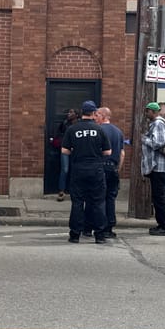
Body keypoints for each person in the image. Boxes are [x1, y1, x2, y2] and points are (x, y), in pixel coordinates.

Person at [61, 100, 111, 244]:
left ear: (82, 112)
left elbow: (64, 150)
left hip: (78, 169)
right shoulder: (100, 129)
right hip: (96, 170)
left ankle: (75, 235)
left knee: (77, 202)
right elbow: (108, 152)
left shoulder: (72, 129)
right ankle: (99, 235)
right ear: (94, 113)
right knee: (98, 202)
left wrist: (76, 150)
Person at [141, 101, 165, 236]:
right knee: (159, 197)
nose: (146, 113)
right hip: (160, 166)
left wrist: (144, 139)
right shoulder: (159, 123)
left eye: (147, 111)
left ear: (153, 112)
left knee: (159, 198)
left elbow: (158, 143)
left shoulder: (158, 123)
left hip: (159, 167)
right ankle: (163, 225)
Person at [93, 106, 125, 238]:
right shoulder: (118, 132)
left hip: (101, 167)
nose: (94, 118)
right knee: (111, 198)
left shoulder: (98, 131)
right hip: (113, 168)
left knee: (99, 198)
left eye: (97, 115)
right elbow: (122, 153)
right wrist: (118, 169)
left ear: (103, 116)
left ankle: (99, 226)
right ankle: (109, 227)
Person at [55, 108, 79, 201]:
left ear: (76, 115)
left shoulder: (79, 125)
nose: (68, 114)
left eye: (71, 112)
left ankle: (75, 191)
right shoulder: (65, 123)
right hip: (66, 149)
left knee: (76, 170)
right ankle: (61, 191)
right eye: (68, 112)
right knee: (64, 170)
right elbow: (59, 135)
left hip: (77, 150)